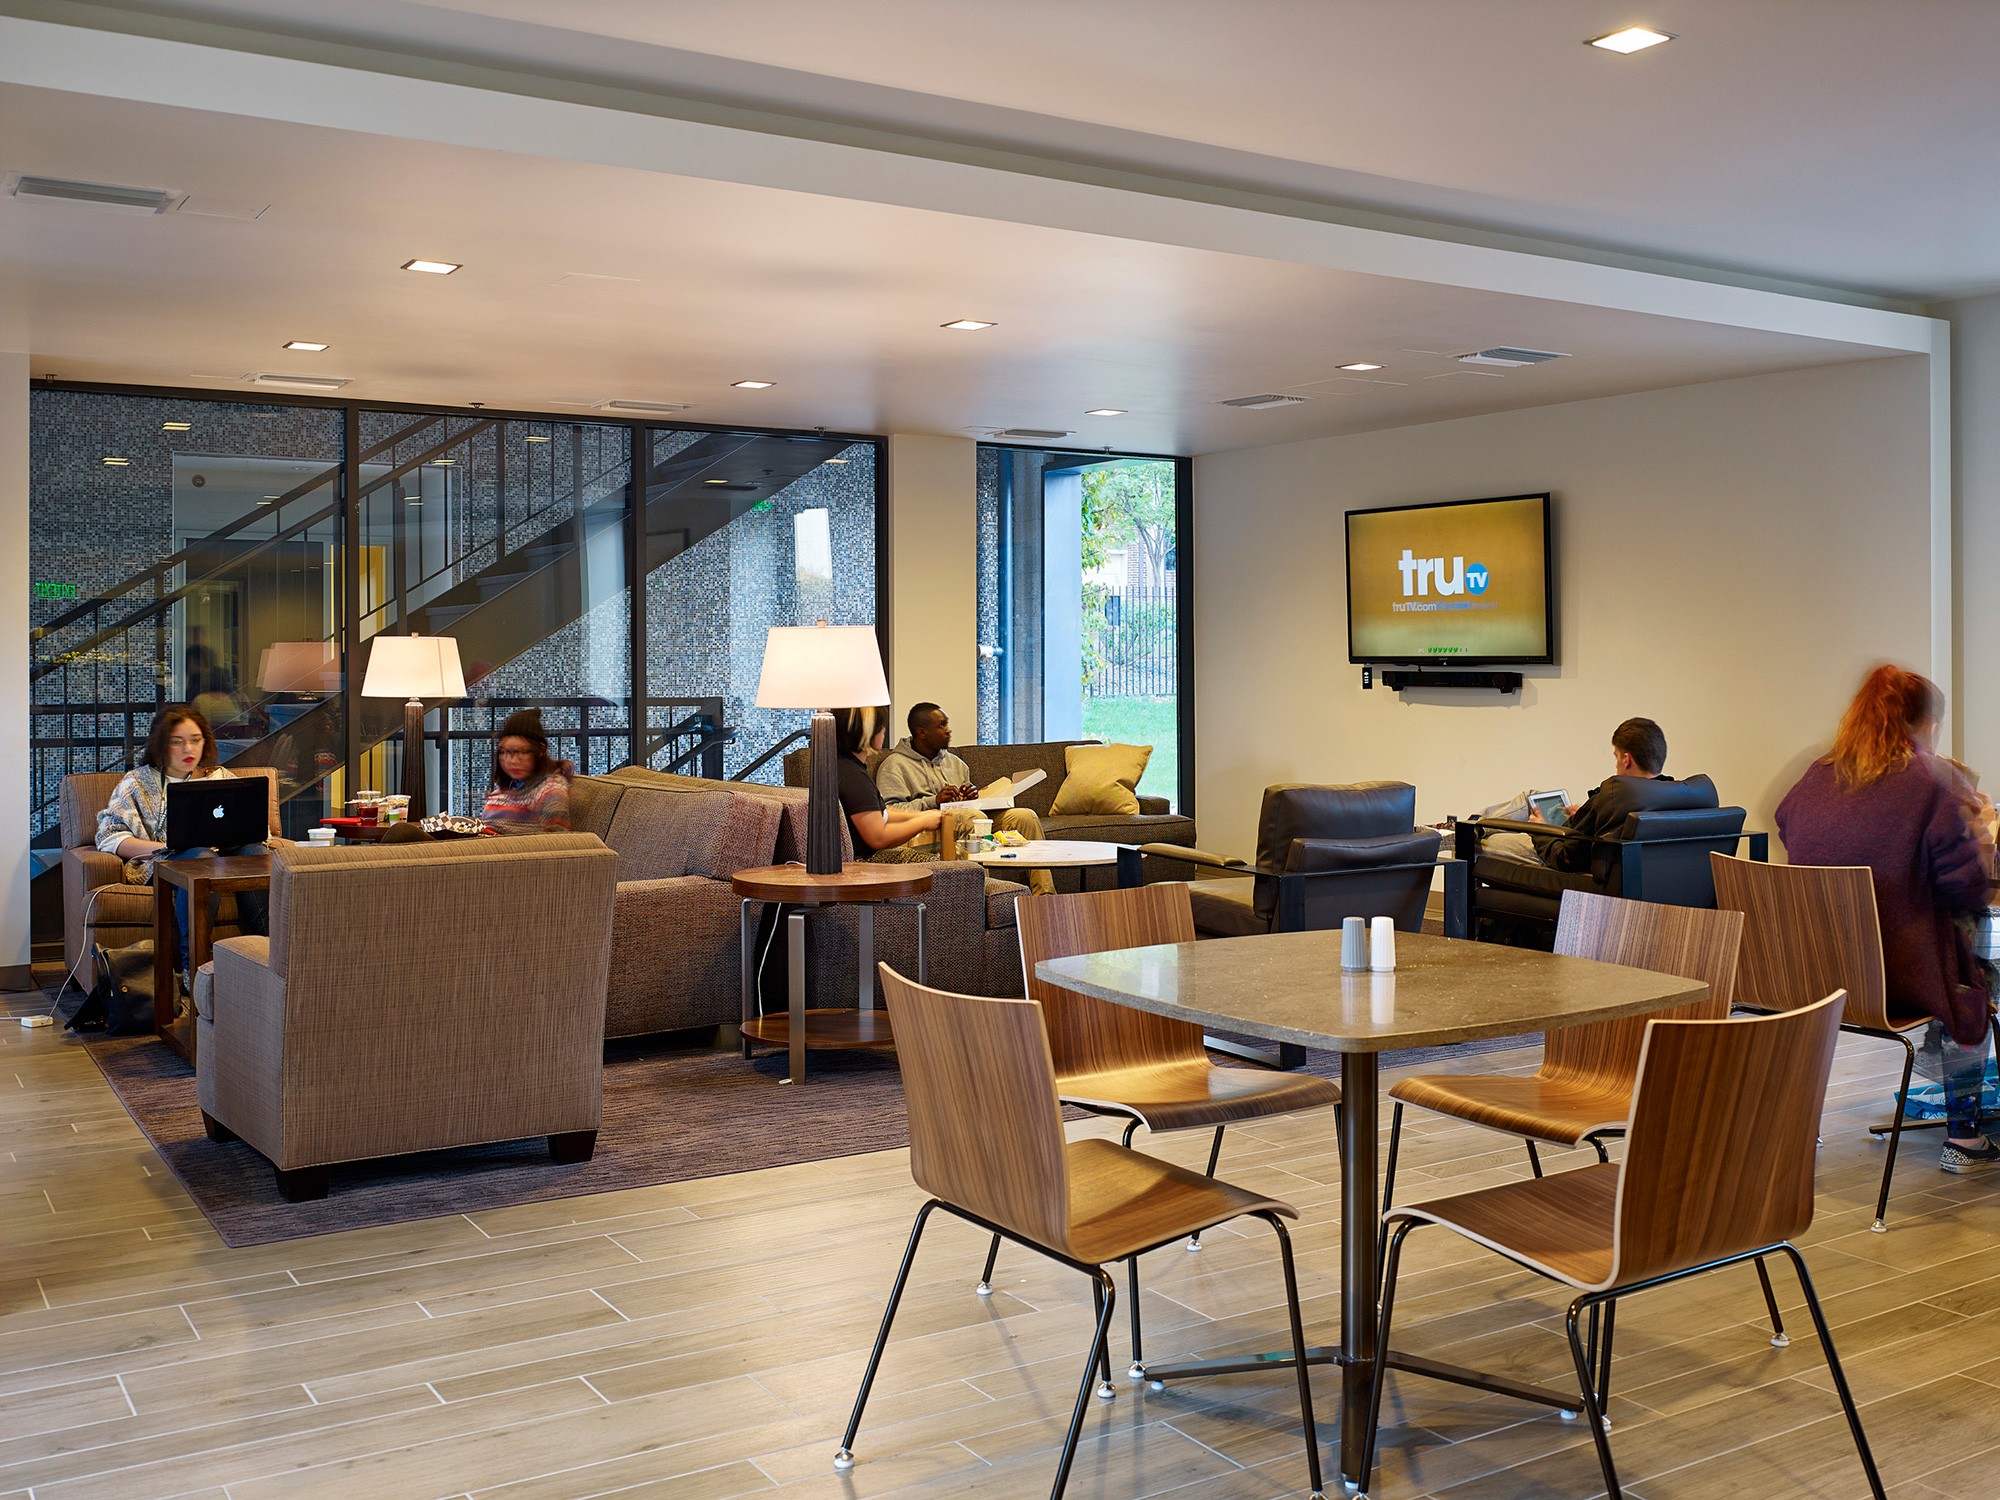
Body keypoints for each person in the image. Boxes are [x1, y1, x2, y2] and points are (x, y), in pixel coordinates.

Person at [1777, 665, 1999, 1172]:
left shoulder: (1816, 775)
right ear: (1926, 724)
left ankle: (1799, 1127)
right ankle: (1964, 1139)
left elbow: (1788, 827)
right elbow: (1967, 886)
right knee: (1975, 971)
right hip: (1904, 978)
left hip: (1815, 975)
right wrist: (1981, 830)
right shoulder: (1932, 783)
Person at [95, 706, 268, 990]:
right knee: (201, 857)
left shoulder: (221, 778)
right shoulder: (137, 782)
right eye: (177, 741)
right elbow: (109, 836)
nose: (188, 749)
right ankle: (195, 967)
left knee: (257, 854)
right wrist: (165, 846)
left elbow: (259, 830)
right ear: (161, 744)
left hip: (225, 858)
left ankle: (266, 958)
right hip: (170, 862)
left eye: (195, 740)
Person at [874, 702, 1055, 894]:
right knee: (974, 819)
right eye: (942, 725)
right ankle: (981, 897)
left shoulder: (957, 764)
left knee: (1024, 816)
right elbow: (887, 812)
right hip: (927, 827)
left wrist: (972, 798)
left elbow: (967, 806)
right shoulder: (894, 766)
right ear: (922, 732)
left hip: (966, 820)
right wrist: (934, 801)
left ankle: (1045, 896)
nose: (948, 730)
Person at [1530, 717, 1718, 873]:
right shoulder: (1679, 800)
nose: (1616, 764)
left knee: (1522, 809)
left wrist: (1538, 831)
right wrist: (1584, 816)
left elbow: (1565, 859)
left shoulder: (1613, 796)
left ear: (1626, 759)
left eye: (1616, 756)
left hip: (1561, 858)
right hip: (1655, 882)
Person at [834, 705, 944, 863]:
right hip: (863, 862)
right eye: (880, 726)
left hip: (862, 858)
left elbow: (880, 814)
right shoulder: (854, 778)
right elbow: (878, 838)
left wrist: (921, 815)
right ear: (867, 732)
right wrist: (922, 822)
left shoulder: (844, 766)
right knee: (944, 866)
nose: (884, 729)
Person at [481, 708, 573, 834]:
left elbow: (559, 839)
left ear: (541, 751)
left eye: (522, 752)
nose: (511, 761)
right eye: (504, 752)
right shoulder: (512, 785)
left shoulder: (550, 789)